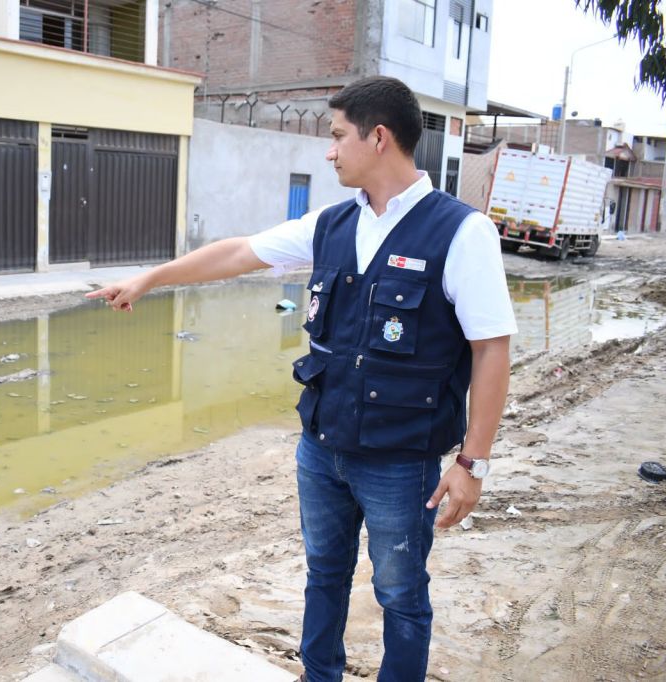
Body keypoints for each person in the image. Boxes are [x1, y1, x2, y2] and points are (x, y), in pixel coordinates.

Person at [86, 75, 516, 682]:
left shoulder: (462, 233)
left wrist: (472, 463)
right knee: (324, 576)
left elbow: (491, 350)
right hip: (321, 449)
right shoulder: (332, 225)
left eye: (338, 136)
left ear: (379, 138)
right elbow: (240, 252)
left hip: (401, 461)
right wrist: (151, 279)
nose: (330, 151)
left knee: (400, 594)